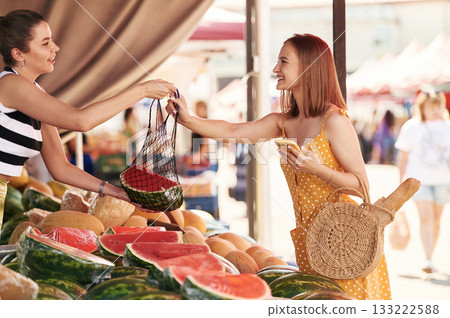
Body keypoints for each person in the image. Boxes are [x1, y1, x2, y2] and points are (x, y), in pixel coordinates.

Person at [167, 33, 391, 300]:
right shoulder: (283, 122)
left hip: (344, 243)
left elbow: (361, 186)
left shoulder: (333, 121)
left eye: (283, 62)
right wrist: (189, 119)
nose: (276, 69)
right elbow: (232, 129)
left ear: (309, 67)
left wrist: (316, 169)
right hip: (310, 244)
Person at [0, 10, 177, 230]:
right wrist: (141, 90)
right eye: (45, 43)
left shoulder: (35, 93)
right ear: (18, 53)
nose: (56, 47)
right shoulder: (10, 85)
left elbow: (61, 168)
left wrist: (117, 192)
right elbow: (80, 121)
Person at [395, 89, 450, 274]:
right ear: (422, 107)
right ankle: (428, 258)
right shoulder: (411, 127)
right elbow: (402, 158)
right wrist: (400, 183)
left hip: (443, 180)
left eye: (438, 105)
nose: (435, 110)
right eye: (431, 106)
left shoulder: (447, 126)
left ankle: (430, 254)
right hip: (419, 181)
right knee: (425, 217)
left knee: (436, 219)